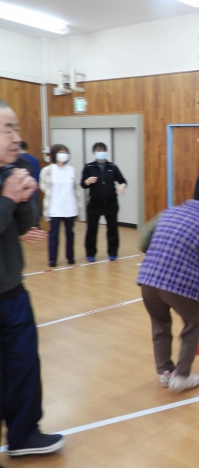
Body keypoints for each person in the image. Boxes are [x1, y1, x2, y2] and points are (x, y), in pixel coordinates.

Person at [0, 99, 66, 457]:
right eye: (7, 129)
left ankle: (23, 434)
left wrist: (24, 196)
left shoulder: (9, 173)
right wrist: (8, 200)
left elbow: (26, 227)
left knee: (23, 365)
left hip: (12, 291)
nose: (17, 138)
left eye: (16, 128)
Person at [137, 186, 199, 393]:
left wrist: (158, 255)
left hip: (148, 280)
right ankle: (181, 376)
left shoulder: (168, 212)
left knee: (160, 324)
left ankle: (165, 372)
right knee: (192, 323)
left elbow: (143, 241)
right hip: (178, 284)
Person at [81, 142, 127, 262]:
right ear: (94, 153)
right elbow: (83, 184)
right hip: (94, 204)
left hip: (111, 203)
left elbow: (123, 180)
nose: (101, 152)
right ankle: (90, 254)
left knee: (112, 230)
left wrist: (122, 186)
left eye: (103, 150)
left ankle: (113, 253)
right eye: (98, 150)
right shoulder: (89, 167)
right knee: (92, 230)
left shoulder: (113, 167)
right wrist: (87, 181)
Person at [39, 144, 82, 267]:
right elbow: (43, 185)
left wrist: (78, 206)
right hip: (54, 208)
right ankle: (52, 259)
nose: (64, 155)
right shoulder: (48, 170)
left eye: (66, 152)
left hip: (70, 207)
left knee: (70, 234)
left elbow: (76, 188)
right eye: (61, 152)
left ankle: (70, 257)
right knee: (53, 234)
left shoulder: (72, 170)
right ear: (55, 154)